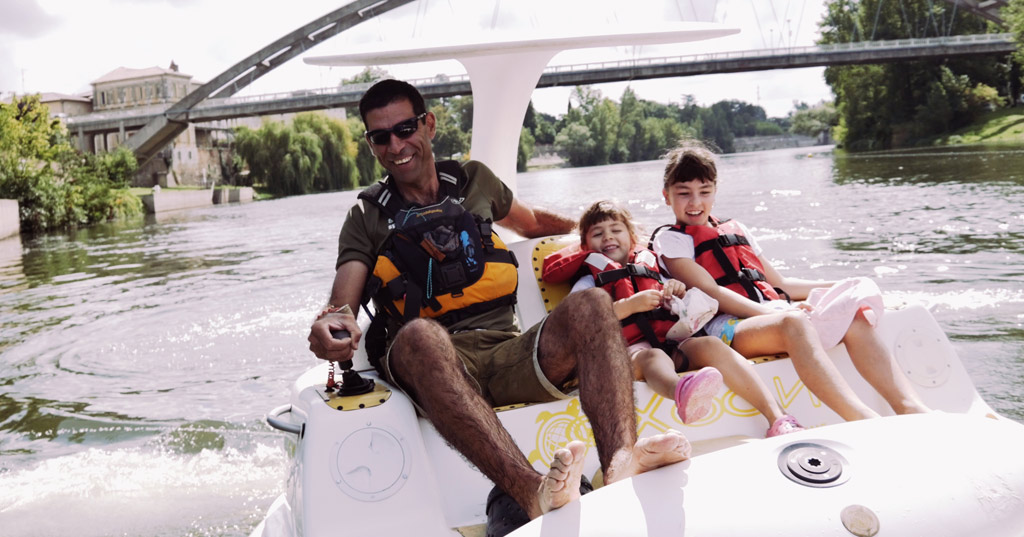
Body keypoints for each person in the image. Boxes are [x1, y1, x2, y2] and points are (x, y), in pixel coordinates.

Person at [307, 79, 690, 520]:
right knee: (418, 336)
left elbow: (532, 224)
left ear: (428, 124)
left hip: (507, 351)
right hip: (431, 364)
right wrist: (330, 325)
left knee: (593, 305)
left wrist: (610, 239)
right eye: (381, 137)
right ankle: (532, 491)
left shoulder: (475, 181)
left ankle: (621, 462)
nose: (396, 146)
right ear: (371, 144)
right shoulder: (366, 216)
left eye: (405, 129)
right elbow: (342, 305)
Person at [652, 139, 930, 421]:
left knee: (853, 312)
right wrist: (776, 313)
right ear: (667, 196)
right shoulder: (671, 240)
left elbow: (780, 285)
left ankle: (909, 408)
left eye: (704, 191)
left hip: (770, 312)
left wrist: (839, 285)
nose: (695, 202)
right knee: (793, 323)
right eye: (684, 193)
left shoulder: (734, 229)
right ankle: (863, 420)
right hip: (723, 327)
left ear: (715, 191)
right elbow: (712, 291)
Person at [543, 200, 804, 437]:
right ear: (586, 246)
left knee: (710, 345)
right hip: (631, 357)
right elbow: (577, 322)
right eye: (598, 233)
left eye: (616, 230)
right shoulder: (589, 282)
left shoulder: (652, 267)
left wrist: (677, 292)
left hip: (671, 344)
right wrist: (628, 306)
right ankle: (681, 392)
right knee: (652, 357)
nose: (608, 237)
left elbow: (683, 299)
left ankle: (778, 418)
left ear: (632, 237)